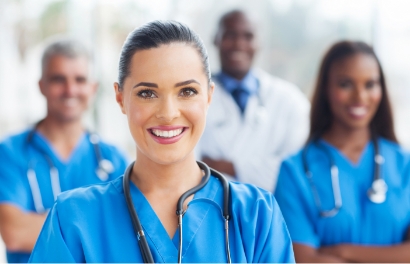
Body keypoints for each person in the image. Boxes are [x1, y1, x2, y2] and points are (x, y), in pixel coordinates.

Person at [28, 21, 294, 263]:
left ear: (209, 96)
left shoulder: (256, 215)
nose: (168, 113)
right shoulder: (73, 219)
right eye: (147, 93)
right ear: (120, 98)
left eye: (187, 91)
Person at [274, 41, 410, 262]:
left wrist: (342, 252)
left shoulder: (404, 164)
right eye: (346, 84)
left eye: (370, 84)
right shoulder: (294, 171)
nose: (360, 96)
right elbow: (304, 259)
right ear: (326, 89)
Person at [0, 39, 128, 263]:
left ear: (93, 88)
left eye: (80, 79)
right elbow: (14, 233)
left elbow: (126, 233)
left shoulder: (112, 158)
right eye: (58, 79)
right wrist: (98, 225)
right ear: (41, 86)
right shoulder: (10, 152)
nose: (70, 90)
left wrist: (48, 225)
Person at [198, 10, 310, 192]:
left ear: (259, 43)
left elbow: (294, 171)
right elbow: (187, 167)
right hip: (209, 211)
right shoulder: (192, 97)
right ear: (215, 39)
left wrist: (225, 166)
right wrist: (259, 169)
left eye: (248, 36)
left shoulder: (291, 101)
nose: (238, 44)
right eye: (230, 35)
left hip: (271, 213)